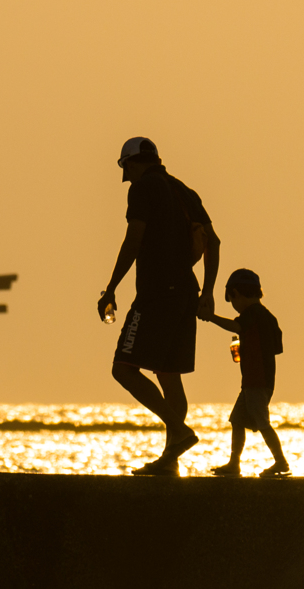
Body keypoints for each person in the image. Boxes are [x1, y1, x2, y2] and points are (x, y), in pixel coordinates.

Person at [98, 137, 221, 475]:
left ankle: (178, 431)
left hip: (156, 294)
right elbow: (215, 241)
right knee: (169, 375)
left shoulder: (143, 188)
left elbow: (134, 238)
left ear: (131, 165)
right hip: (186, 291)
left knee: (123, 367)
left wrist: (111, 288)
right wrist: (207, 292)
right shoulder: (184, 190)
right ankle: (170, 461)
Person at [200, 268, 290, 477]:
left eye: (232, 300)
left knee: (262, 422)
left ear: (236, 294)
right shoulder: (268, 317)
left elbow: (236, 326)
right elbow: (275, 347)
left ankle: (281, 462)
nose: (234, 306)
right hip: (257, 380)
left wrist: (210, 317)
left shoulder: (253, 314)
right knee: (237, 420)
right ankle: (234, 463)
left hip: (256, 380)